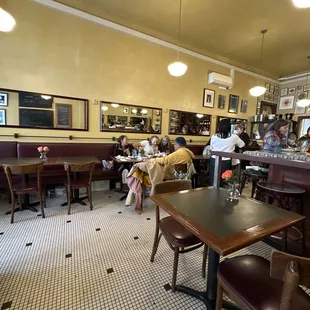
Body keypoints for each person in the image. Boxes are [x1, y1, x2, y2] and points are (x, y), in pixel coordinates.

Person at [209, 119, 245, 186]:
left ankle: (213, 194)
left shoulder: (213, 136)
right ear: (229, 127)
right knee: (224, 181)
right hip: (226, 161)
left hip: (213, 160)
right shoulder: (234, 137)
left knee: (213, 180)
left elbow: (211, 148)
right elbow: (242, 145)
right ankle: (222, 195)